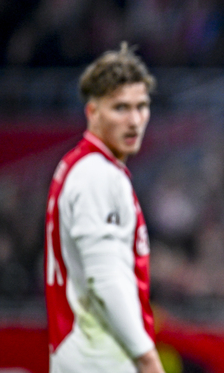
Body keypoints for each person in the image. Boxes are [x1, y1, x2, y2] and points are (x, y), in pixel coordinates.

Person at [44, 43, 165, 373]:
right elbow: (107, 276)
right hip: (99, 356)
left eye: (142, 107)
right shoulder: (97, 175)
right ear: (92, 112)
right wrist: (148, 357)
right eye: (120, 108)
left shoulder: (78, 165)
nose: (134, 120)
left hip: (83, 352)